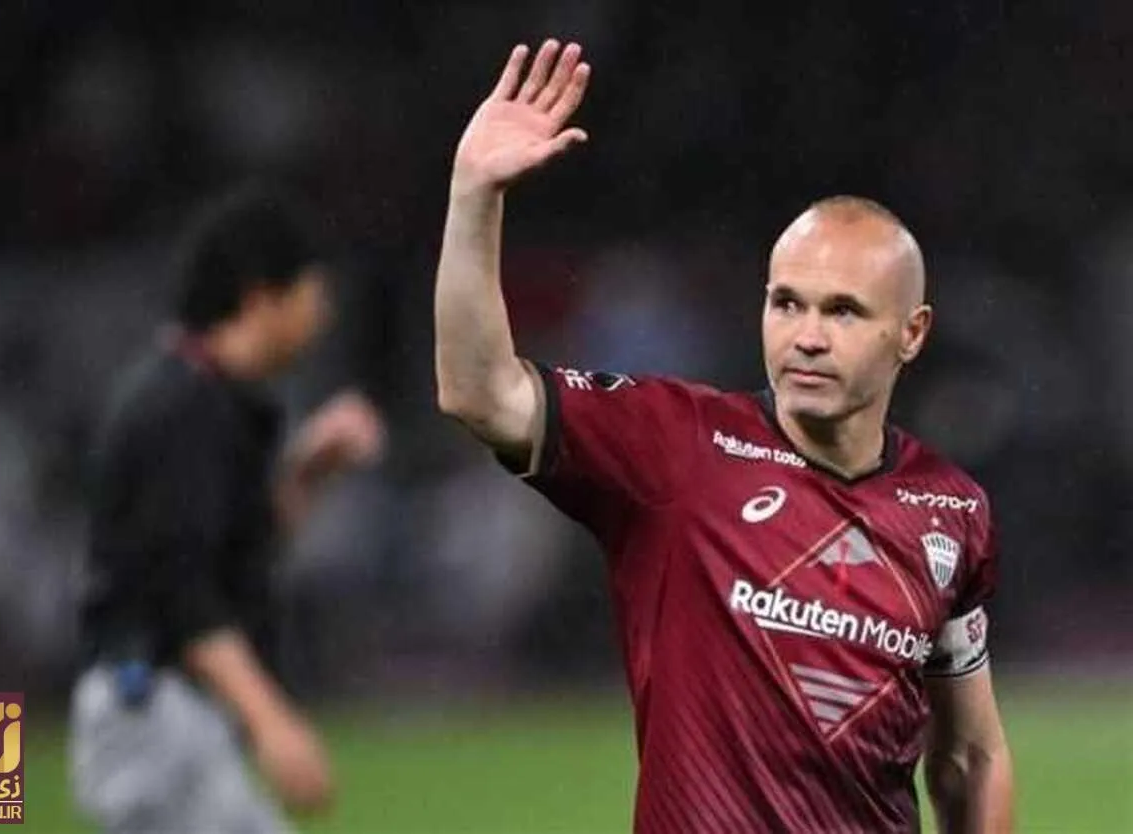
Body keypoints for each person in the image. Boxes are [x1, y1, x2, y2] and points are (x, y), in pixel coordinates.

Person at [434, 39, 1014, 833]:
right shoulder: (679, 448)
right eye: (787, 303)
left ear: (911, 333)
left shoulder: (950, 508)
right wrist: (473, 196)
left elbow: (970, 756)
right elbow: (480, 392)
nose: (807, 337)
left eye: (843, 311)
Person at [69, 185, 386, 834]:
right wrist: (272, 722)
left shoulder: (208, 399)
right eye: (312, 290)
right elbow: (183, 593)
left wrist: (307, 472)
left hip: (168, 714)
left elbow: (236, 559)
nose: (323, 311)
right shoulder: (183, 409)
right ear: (261, 296)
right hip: (150, 708)